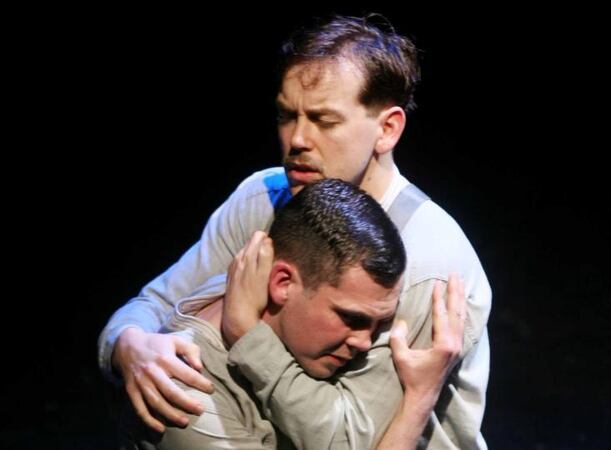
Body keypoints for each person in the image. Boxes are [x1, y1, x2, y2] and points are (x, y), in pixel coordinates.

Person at [100, 14, 492, 449]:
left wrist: (248, 335)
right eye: (288, 115)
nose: (298, 139)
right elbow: (155, 303)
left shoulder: (425, 263)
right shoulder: (261, 199)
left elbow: (356, 441)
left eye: (324, 121)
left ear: (387, 128)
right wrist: (128, 345)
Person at [124, 179, 466, 449]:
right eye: (352, 318)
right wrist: (420, 399)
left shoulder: (296, 338)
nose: (364, 343)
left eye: (378, 325)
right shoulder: (183, 389)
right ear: (283, 283)